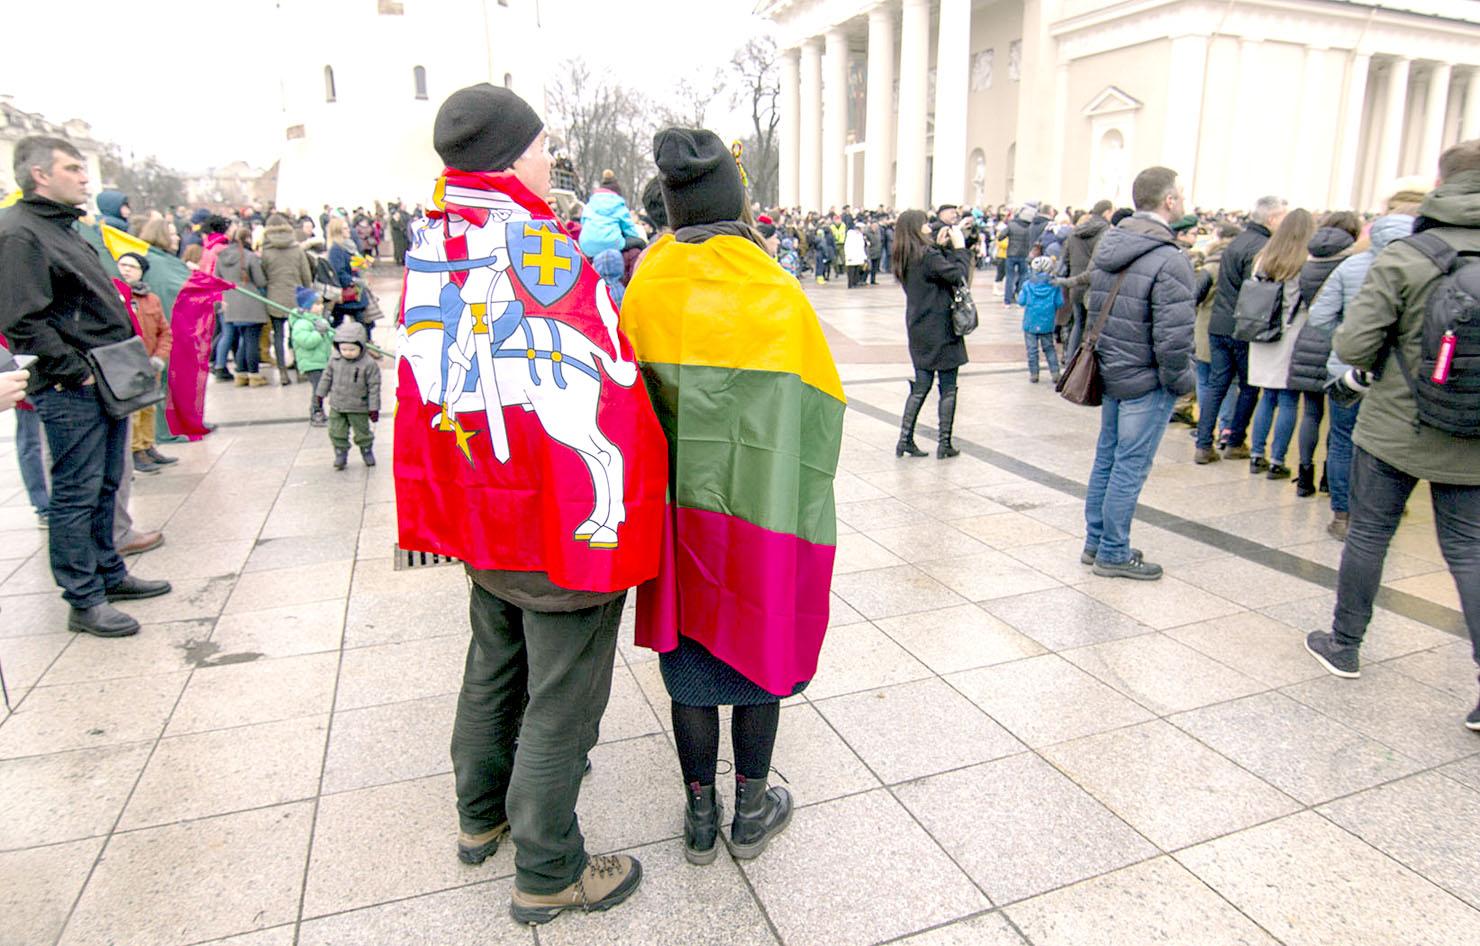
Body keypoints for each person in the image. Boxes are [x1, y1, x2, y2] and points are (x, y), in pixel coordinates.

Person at [411, 83, 664, 926]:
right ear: (509, 158)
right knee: (563, 695)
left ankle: (479, 815)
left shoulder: (436, 236)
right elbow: (606, 375)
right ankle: (551, 868)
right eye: (543, 143)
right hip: (555, 519)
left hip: (486, 508)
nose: (552, 155)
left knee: (492, 666)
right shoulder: (535, 247)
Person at [622, 125, 844, 872]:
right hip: (757, 516)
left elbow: (626, 403)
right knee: (756, 652)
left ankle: (697, 816)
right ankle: (750, 810)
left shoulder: (647, 283)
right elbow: (817, 406)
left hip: (678, 517)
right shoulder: (771, 286)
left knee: (688, 663)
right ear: (736, 200)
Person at [1305, 139, 1480, 734]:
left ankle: (1345, 643)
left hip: (1396, 425)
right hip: (1474, 431)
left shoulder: (1407, 255)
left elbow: (1351, 346)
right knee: (1469, 551)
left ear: (1442, 183)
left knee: (1371, 533)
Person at [0, 135, 171, 638]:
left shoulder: (63, 226)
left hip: (107, 375)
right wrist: (74, 370)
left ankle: (109, 574)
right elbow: (22, 319)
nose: (84, 176)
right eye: (73, 168)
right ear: (40, 175)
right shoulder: (18, 233)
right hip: (73, 385)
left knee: (106, 483)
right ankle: (84, 598)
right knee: (76, 492)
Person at [1081, 166, 1196, 580]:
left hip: (1111, 369)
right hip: (1146, 378)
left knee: (1108, 459)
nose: (1183, 200)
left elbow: (1094, 307)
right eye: (1180, 194)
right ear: (1168, 201)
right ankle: (1113, 550)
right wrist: (1181, 382)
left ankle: (1096, 541)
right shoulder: (1170, 258)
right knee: (1129, 464)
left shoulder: (1112, 243)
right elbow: (1173, 338)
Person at [1305, 200, 1419, 537]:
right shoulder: (1425, 269)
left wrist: (1345, 337)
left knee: (1342, 440)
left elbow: (1319, 317)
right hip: (1399, 378)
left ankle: (1342, 515)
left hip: (1348, 370)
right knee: (1388, 446)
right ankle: (1382, 511)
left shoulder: (1350, 266)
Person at [1197, 195, 1287, 461]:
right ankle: (1235, 440)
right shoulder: (1263, 247)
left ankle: (1203, 443)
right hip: (1244, 326)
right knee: (1249, 386)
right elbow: (1258, 290)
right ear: (1271, 218)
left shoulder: (1236, 241)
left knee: (1217, 384)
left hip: (1219, 323)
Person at [1285, 211, 1361, 495]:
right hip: (1337, 343)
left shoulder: (1308, 261)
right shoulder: (1351, 264)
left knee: (1311, 413)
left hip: (1308, 339)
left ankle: (1304, 477)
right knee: (1339, 418)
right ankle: (1331, 476)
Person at [892, 208, 969, 458]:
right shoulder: (928, 256)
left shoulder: (905, 255)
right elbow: (958, 276)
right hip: (941, 326)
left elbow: (934, 275)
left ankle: (905, 439)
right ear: (916, 228)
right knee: (948, 386)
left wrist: (940, 248)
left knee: (921, 385)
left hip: (918, 326)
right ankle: (944, 443)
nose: (929, 228)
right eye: (925, 225)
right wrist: (959, 248)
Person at [1246, 209, 1315, 479]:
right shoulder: (1306, 261)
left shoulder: (1263, 258)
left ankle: (1256, 453)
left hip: (1263, 331)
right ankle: (1277, 459)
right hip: (1292, 332)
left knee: (1267, 396)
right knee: (1288, 400)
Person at [113, 253, 176, 473]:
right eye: (123, 265)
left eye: (132, 266)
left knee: (149, 407)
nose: (126, 270)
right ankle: (135, 451)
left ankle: (148, 446)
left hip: (150, 364)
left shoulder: (151, 299)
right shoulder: (113, 295)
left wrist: (159, 357)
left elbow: (165, 332)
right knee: (134, 411)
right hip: (127, 365)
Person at [316, 321, 380, 470]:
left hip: (358, 406)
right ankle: (340, 452)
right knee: (336, 431)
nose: (348, 352)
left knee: (362, 432)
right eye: (344, 349)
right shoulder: (335, 360)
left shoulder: (369, 364)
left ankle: (366, 449)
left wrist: (374, 408)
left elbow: (374, 387)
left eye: (352, 349)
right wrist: (320, 394)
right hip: (337, 404)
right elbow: (326, 377)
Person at [260, 213, 314, 385]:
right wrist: (308, 294)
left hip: (274, 297)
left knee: (278, 335)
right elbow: (306, 275)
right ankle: (299, 369)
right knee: (295, 335)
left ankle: (283, 372)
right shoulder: (297, 249)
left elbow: (262, 277)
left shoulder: (265, 251)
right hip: (295, 295)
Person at [1057, 201, 1112, 354]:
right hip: (1093, 284)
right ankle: (1084, 363)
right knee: (1092, 327)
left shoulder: (1073, 232)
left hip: (1075, 283)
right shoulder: (1105, 231)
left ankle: (1069, 359)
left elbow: (1065, 259)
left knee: (1077, 323)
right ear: (1106, 212)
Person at [216, 228, 270, 386]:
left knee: (242, 339)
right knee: (251, 339)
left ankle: (241, 373)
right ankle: (254, 375)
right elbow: (260, 281)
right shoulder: (250, 256)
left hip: (230, 302)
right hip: (251, 301)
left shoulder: (221, 257)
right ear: (247, 238)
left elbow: (216, 279)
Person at [578, 170, 644, 259]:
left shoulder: (590, 204)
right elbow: (630, 230)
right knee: (640, 243)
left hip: (587, 246)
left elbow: (583, 223)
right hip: (612, 245)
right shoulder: (618, 203)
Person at [1018, 254, 1064, 383]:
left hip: (1030, 322)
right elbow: (1060, 302)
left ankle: (1034, 374)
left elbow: (1021, 301)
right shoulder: (1054, 285)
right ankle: (1055, 372)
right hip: (1047, 322)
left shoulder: (1027, 285)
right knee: (1049, 348)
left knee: (1032, 350)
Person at [326, 218, 367, 330]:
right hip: (347, 292)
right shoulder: (336, 249)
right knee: (357, 323)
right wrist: (353, 280)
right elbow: (338, 272)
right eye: (345, 228)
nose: (348, 230)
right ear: (338, 231)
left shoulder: (348, 245)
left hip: (355, 290)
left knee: (362, 321)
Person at [1003, 205, 1033, 305]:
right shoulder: (1030, 227)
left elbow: (1001, 236)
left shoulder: (1012, 225)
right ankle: (1020, 297)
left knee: (1010, 277)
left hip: (1011, 254)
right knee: (1023, 276)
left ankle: (1007, 299)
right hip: (1023, 255)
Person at [843, 221, 866, 287]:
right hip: (852, 256)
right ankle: (850, 284)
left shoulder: (860, 236)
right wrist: (848, 256)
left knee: (857, 271)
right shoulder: (851, 235)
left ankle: (855, 283)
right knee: (851, 271)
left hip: (858, 256)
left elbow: (861, 247)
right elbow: (847, 246)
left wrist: (864, 256)